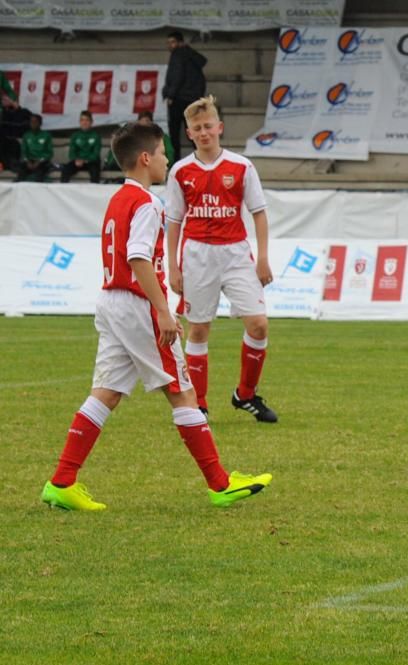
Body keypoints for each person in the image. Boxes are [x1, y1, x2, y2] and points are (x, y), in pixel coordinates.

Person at [39, 121, 272, 512]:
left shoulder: (118, 199)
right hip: (135, 305)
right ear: (146, 159)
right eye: (163, 152)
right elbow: (138, 257)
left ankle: (62, 482)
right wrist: (163, 311)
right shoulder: (148, 204)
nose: (167, 159)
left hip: (111, 301)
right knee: (182, 392)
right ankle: (220, 483)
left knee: (106, 393)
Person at [165, 95, 277, 422]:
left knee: (258, 325)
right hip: (197, 255)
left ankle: (245, 395)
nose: (204, 133)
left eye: (208, 126)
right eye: (197, 128)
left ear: (220, 128)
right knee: (198, 331)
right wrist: (173, 266)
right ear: (189, 133)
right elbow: (173, 221)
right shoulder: (181, 171)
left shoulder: (242, 166)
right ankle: (198, 405)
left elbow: (259, 213)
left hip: (237, 253)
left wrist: (263, 258)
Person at [162, 31, 207, 161]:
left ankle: (176, 163)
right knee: (193, 132)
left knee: (175, 134)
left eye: (172, 42)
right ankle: (203, 158)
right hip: (192, 100)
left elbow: (177, 76)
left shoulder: (177, 55)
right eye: (168, 43)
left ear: (180, 42)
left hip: (179, 99)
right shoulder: (191, 55)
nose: (170, 45)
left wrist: (170, 95)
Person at [104, 111, 174, 181]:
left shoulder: (162, 138)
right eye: (141, 122)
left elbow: (170, 154)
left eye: (147, 121)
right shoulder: (131, 138)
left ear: (151, 122)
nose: (144, 125)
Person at [60, 110, 102, 183]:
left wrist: (85, 160)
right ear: (79, 122)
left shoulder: (96, 136)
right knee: (66, 170)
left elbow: (96, 154)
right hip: (77, 161)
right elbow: (72, 152)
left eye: (87, 120)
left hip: (91, 162)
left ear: (91, 122)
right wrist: (76, 159)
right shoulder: (75, 135)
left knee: (95, 172)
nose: (84, 122)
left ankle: (94, 193)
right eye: (82, 120)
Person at [15, 113, 53, 182]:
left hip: (42, 162)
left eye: (35, 122)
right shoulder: (26, 135)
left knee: (39, 175)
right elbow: (24, 151)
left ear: (40, 123)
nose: (33, 124)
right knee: (20, 174)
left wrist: (39, 161)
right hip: (29, 161)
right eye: (31, 122)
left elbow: (49, 153)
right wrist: (27, 161)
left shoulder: (47, 135)